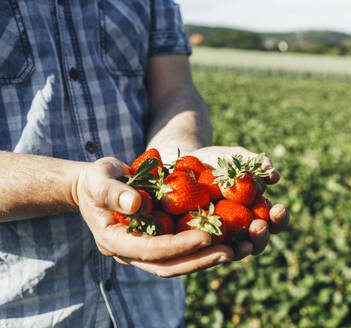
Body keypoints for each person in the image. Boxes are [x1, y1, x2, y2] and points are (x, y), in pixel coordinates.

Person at [0, 1, 289, 327]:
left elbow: (176, 92)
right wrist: (73, 185)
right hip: (29, 310)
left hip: (152, 310)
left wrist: (178, 158)